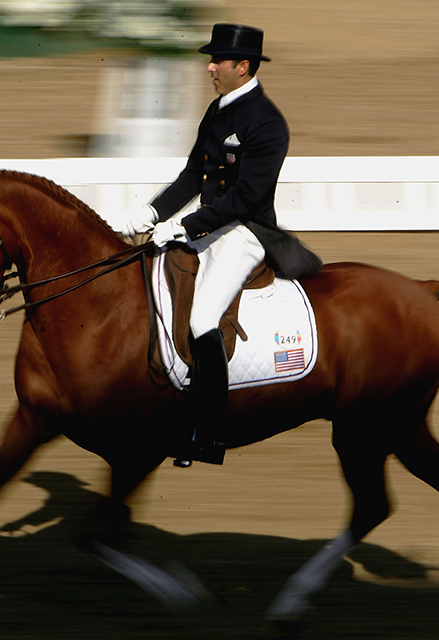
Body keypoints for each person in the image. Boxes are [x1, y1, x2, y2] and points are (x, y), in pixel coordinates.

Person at [120, 23, 320, 465]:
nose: (209, 67)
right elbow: (193, 175)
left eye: (217, 61)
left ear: (242, 66)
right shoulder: (216, 111)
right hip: (211, 226)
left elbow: (246, 197)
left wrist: (186, 228)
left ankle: (210, 432)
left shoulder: (267, 122)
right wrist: (152, 213)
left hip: (246, 232)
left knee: (202, 318)